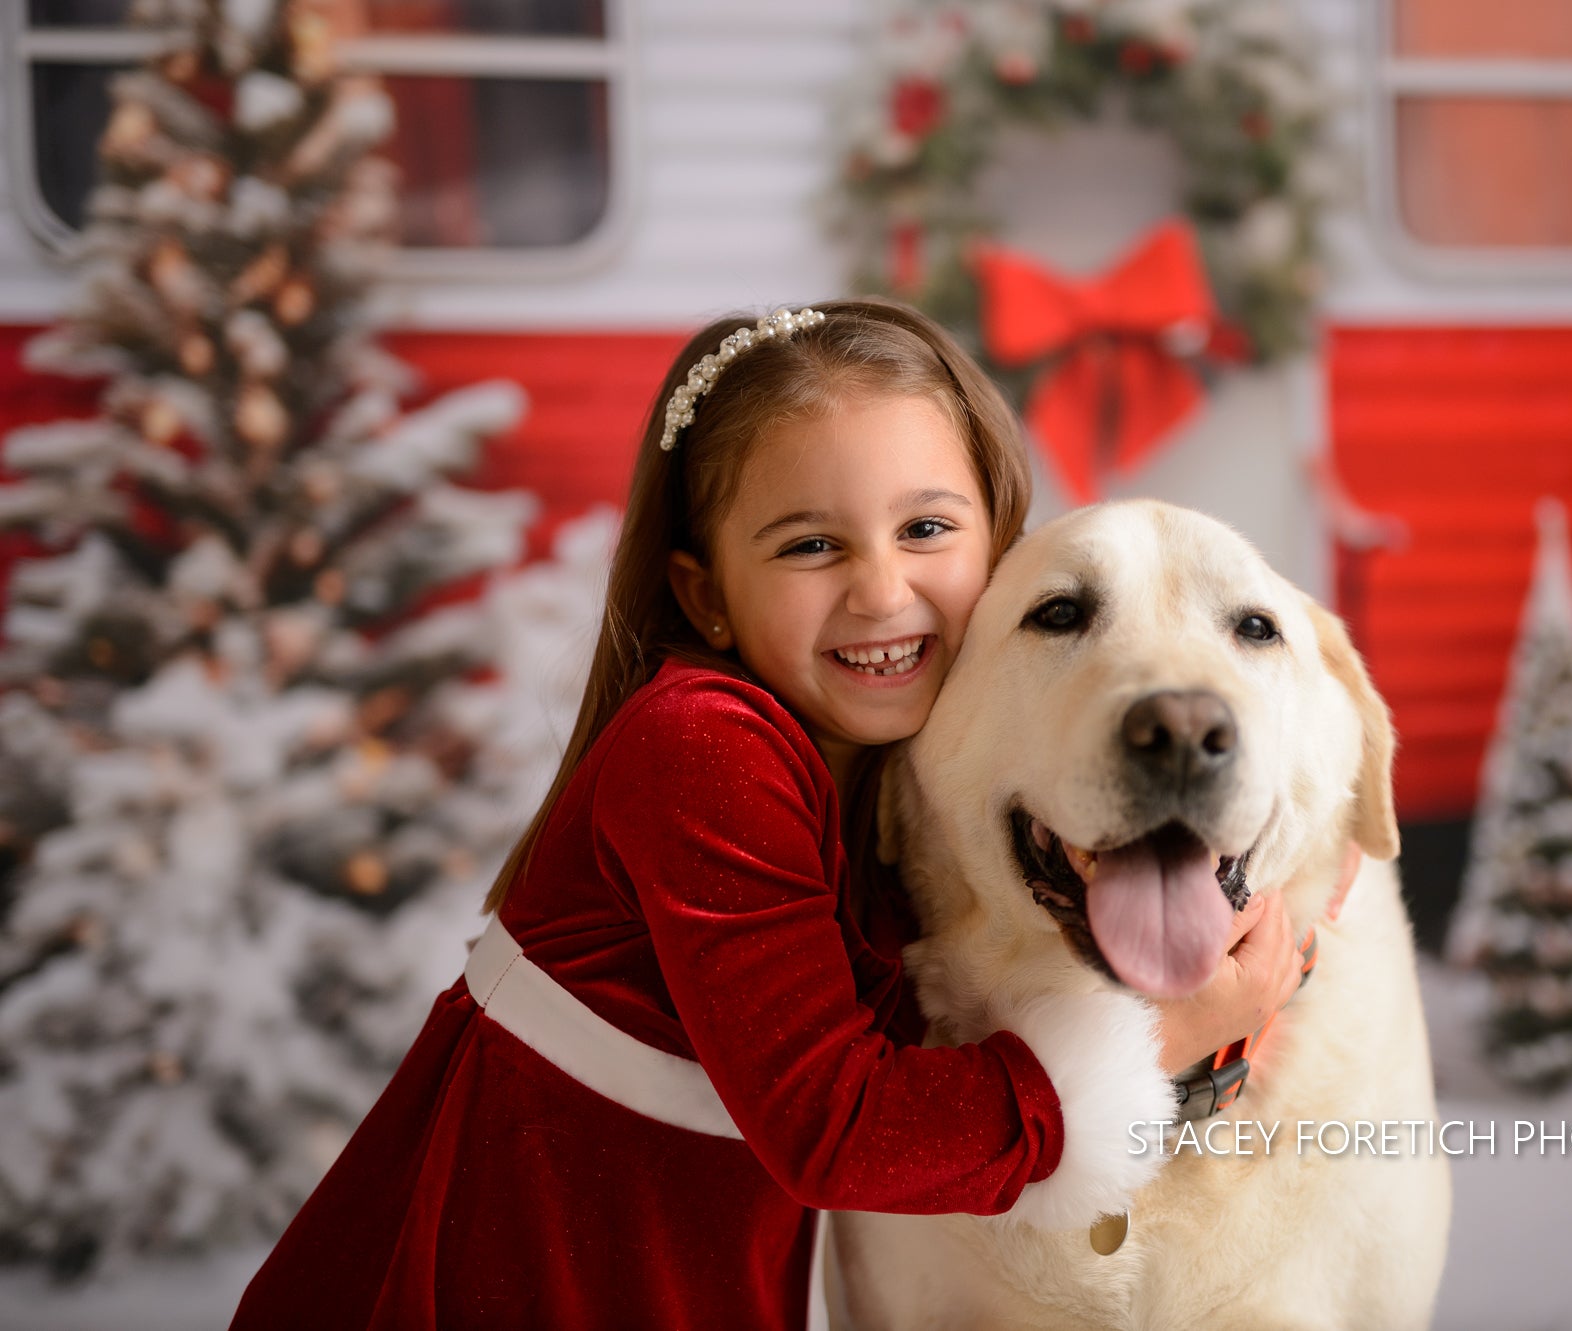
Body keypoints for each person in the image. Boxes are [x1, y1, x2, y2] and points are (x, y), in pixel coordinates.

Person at [231, 298, 1303, 1329]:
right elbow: (834, 1125)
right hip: (517, 1263)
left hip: (673, 1262)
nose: (881, 591)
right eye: (808, 545)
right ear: (704, 594)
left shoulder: (900, 765)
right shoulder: (703, 744)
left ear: (1000, 545)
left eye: (925, 526)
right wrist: (1168, 1035)